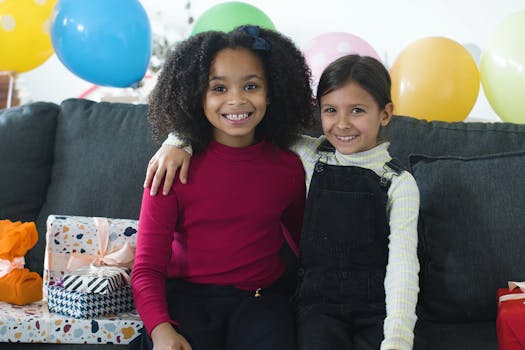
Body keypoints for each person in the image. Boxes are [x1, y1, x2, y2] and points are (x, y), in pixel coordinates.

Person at [146, 54, 420, 350]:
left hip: (375, 304)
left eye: (357, 110)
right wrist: (178, 139)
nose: (342, 124)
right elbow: (241, 123)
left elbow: (403, 267)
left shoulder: (399, 183)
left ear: (385, 113)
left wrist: (397, 339)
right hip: (319, 307)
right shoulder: (311, 155)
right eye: (330, 110)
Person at [131, 25, 314, 350]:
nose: (236, 99)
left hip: (261, 302)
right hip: (188, 299)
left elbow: (307, 246)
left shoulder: (289, 168)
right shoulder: (170, 167)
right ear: (196, 94)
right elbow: (146, 268)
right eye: (218, 88)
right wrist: (161, 331)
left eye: (251, 86)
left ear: (271, 92)